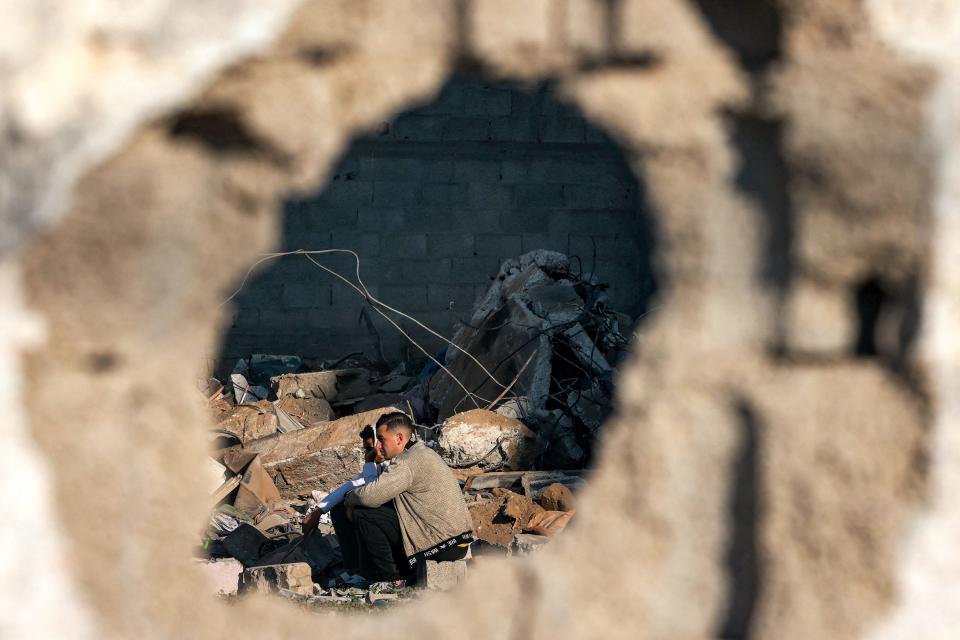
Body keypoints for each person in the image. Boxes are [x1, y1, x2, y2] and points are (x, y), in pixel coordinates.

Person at [342, 411, 474, 583]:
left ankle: (391, 579)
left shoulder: (407, 462)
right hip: (456, 541)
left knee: (364, 513)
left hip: (443, 544)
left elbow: (370, 497)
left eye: (382, 439)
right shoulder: (420, 452)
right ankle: (368, 573)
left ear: (399, 438)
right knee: (373, 509)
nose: (378, 447)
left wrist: (349, 499)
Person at [301, 425, 387, 575]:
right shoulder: (379, 465)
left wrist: (369, 462)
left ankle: (373, 570)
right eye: (367, 450)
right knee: (341, 507)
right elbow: (352, 485)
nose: (369, 453)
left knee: (357, 510)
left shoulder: (394, 464)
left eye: (370, 448)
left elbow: (373, 492)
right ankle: (354, 569)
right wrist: (318, 511)